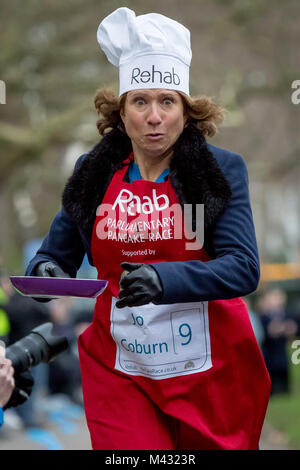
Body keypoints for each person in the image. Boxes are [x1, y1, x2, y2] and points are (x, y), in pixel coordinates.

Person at [25, 8, 270, 450]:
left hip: (207, 372)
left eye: (167, 101)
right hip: (122, 369)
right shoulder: (94, 172)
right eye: (140, 102)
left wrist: (163, 279)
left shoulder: (218, 170)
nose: (154, 116)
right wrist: (46, 275)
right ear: (121, 112)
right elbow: (53, 258)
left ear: (185, 109)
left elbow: (243, 268)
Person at [259, 288, 298, 395]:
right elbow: (271, 331)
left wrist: (281, 328)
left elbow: (292, 329)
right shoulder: (264, 316)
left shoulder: (286, 314)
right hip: (270, 356)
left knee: (284, 386)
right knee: (273, 386)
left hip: (283, 356)